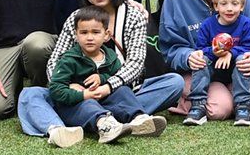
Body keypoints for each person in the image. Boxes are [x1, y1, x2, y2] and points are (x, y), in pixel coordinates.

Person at [18, 0, 181, 139]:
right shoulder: (76, 17)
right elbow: (56, 59)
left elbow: (135, 63)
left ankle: (101, 118)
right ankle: (66, 127)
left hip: (121, 89)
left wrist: (108, 86)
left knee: (174, 83)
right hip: (77, 92)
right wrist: (68, 86)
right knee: (30, 94)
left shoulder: (133, 14)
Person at [43, 8, 169, 147]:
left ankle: (138, 119)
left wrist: (102, 78)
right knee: (89, 104)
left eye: (96, 32)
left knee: (123, 91)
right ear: (76, 35)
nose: (90, 37)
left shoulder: (110, 57)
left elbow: (116, 77)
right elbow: (55, 88)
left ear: (107, 35)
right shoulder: (69, 59)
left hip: (106, 98)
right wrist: (82, 94)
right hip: (80, 103)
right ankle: (106, 126)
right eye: (84, 33)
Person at [185, 0, 250, 127]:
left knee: (244, 59)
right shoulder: (208, 25)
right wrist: (215, 52)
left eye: (234, 4)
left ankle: (242, 107)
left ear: (242, 6)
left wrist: (231, 53)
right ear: (216, 6)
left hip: (237, 70)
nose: (229, 8)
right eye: (224, 3)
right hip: (214, 72)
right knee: (201, 60)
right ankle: (198, 106)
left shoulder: (246, 24)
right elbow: (200, 49)